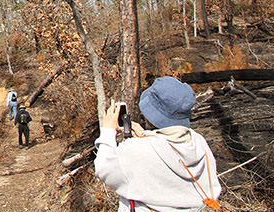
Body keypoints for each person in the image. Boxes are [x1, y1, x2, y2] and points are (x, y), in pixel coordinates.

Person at [94, 76, 222, 212]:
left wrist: (107, 131)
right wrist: (146, 136)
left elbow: (104, 169)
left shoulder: (137, 150)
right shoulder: (198, 140)